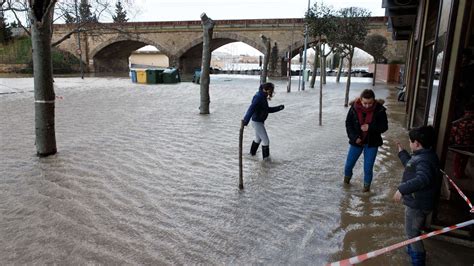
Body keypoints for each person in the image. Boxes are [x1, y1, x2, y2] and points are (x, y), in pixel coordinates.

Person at [393, 125, 440, 266]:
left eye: (410, 141)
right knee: (413, 231)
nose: (409, 143)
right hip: (421, 202)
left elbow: (422, 178)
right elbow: (411, 165)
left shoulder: (423, 160)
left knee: (412, 234)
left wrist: (401, 189)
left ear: (417, 143)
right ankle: (412, 250)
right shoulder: (425, 155)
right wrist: (402, 153)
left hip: (417, 205)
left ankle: (418, 260)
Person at [343, 89, 388, 192]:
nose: (367, 106)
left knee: (368, 169)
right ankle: (346, 187)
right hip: (356, 142)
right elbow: (348, 124)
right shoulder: (353, 108)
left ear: (374, 101)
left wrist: (370, 127)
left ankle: (366, 191)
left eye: (370, 103)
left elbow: (384, 127)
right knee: (348, 166)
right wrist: (354, 138)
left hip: (372, 143)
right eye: (365, 103)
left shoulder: (380, 110)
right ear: (360, 100)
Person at [242, 82, 284, 159]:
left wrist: (278, 108)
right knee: (266, 141)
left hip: (259, 121)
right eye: (270, 91)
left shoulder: (262, 96)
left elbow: (267, 110)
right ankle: (266, 162)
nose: (271, 93)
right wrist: (245, 120)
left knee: (258, 139)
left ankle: (251, 156)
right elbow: (251, 109)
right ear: (265, 89)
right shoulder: (258, 97)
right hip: (257, 122)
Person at [449, 100, 474, 179]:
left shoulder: (461, 120)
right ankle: (461, 173)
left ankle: (457, 173)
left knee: (458, 159)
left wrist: (452, 139)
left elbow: (453, 131)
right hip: (469, 144)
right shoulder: (472, 121)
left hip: (459, 143)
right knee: (465, 159)